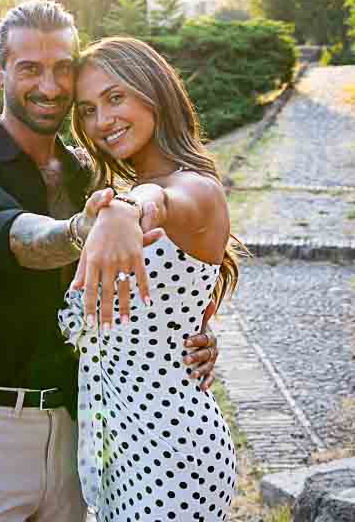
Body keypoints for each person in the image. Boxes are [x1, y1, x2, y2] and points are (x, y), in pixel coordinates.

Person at [0, 0, 221, 521]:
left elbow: (169, 268)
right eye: (30, 68)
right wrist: (85, 227)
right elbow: (14, 235)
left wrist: (190, 335)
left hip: (81, 430)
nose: (50, 86)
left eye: (62, 68)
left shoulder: (88, 175)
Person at [58, 36, 242, 521]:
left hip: (173, 453)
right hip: (119, 450)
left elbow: (156, 203)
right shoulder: (121, 192)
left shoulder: (193, 190)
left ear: (153, 91)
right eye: (89, 109)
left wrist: (126, 209)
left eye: (115, 97)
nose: (103, 121)